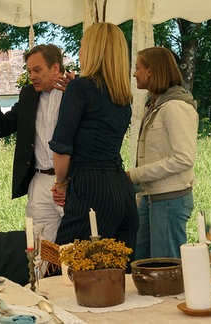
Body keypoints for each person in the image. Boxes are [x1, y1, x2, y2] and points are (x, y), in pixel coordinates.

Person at [49, 22, 139, 256]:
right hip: (122, 190)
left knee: (67, 267)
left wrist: (61, 184)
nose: (79, 51)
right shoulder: (122, 95)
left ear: (92, 50)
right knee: (119, 273)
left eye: (82, 45)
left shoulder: (80, 88)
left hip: (90, 188)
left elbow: (61, 150)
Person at [0, 44, 72, 242]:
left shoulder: (75, 92)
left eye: (37, 70)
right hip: (39, 180)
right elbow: (3, 128)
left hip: (71, 181)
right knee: (39, 247)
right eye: (29, 71)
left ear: (55, 68)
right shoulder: (28, 95)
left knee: (75, 244)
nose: (32, 76)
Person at [128, 47, 198, 259]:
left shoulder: (176, 106)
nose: (134, 73)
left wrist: (136, 175)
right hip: (153, 196)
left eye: (137, 68)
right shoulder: (156, 105)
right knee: (144, 263)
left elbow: (184, 158)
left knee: (166, 269)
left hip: (170, 198)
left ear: (150, 71)